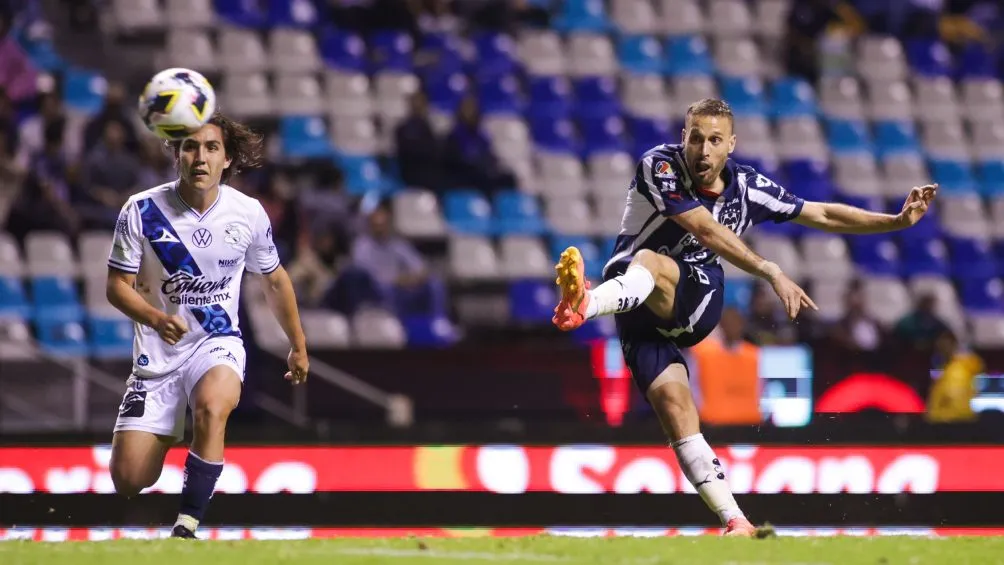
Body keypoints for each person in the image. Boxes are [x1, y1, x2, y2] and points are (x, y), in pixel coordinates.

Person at [551, 98, 937, 536]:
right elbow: (703, 225)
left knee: (650, 260)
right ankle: (735, 520)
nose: (703, 149)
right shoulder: (659, 166)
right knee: (676, 411)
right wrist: (770, 269)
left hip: (696, 297)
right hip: (635, 307)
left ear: (730, 145)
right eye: (695, 138)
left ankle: (585, 305)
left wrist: (896, 221)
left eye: (714, 140)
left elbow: (821, 212)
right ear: (683, 137)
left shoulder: (748, 188)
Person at [105, 113, 310, 539]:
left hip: (216, 343)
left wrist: (298, 343)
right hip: (157, 354)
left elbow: (273, 278)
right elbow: (116, 287)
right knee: (128, 479)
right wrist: (156, 318)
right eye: (191, 147)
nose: (201, 157)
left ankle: (187, 525)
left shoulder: (248, 213)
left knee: (213, 407)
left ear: (227, 158)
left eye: (211, 147)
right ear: (176, 154)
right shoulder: (141, 210)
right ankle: (175, 430)